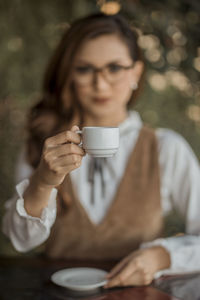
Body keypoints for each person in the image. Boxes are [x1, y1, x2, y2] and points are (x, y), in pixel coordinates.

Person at [2, 13, 200, 288]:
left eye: (115, 67)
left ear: (136, 71)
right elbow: (20, 240)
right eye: (85, 69)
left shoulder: (166, 148)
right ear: (69, 73)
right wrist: (42, 182)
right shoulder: (44, 145)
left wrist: (163, 256)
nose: (100, 83)